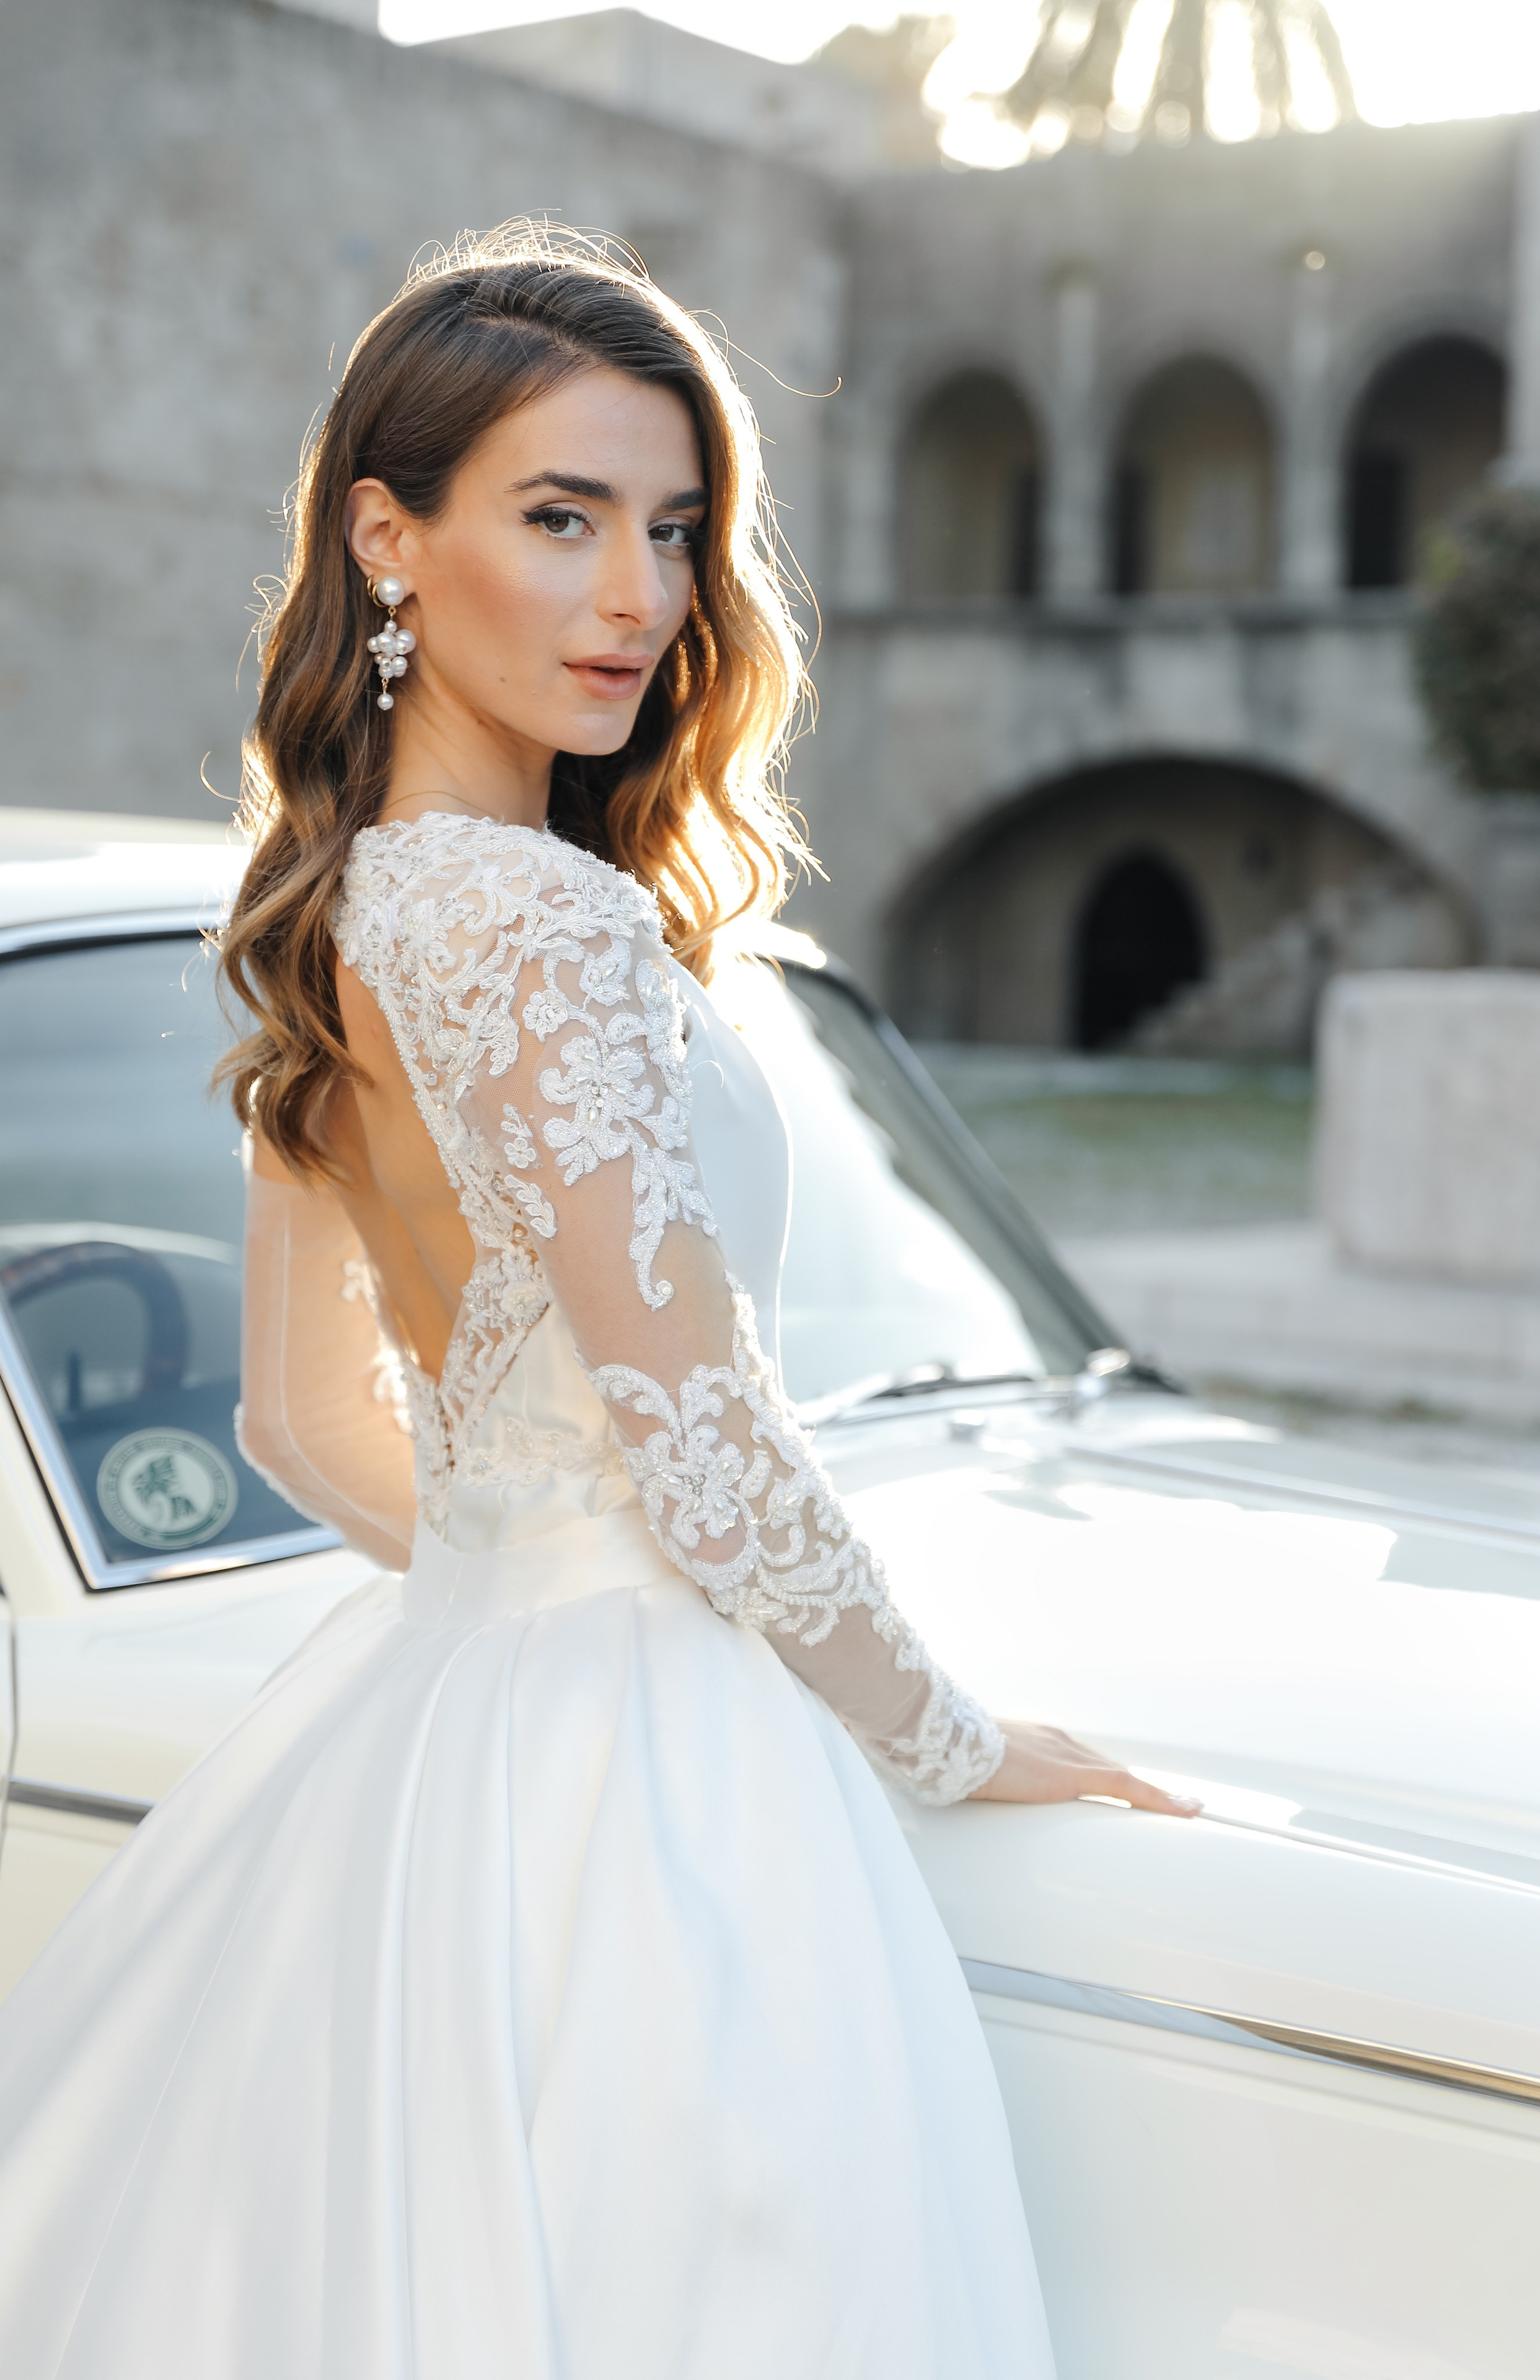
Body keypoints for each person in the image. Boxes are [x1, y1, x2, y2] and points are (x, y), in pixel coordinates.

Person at [0, 226, 1198, 2378]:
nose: (641, 596)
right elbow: (705, 1437)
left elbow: (302, 1424)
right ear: (392, 539)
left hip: (429, 1746)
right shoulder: (544, 932)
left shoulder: (327, 908)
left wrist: (510, 1593)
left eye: (672, 527)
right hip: (663, 1794)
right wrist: (956, 1735)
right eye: (559, 520)